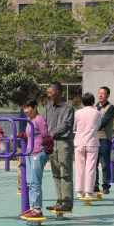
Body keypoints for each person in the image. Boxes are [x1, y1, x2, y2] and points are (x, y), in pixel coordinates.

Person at [44, 82, 75, 212]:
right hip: (52, 143)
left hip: (63, 142)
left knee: (65, 173)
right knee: (56, 174)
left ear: (58, 92)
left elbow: (66, 125)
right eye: (48, 93)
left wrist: (53, 133)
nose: (49, 95)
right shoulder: (49, 108)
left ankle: (67, 203)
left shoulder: (68, 107)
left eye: (50, 93)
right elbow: (44, 124)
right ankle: (59, 201)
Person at [19, 98, 49, 218]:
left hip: (38, 153)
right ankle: (32, 207)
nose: (26, 110)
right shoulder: (29, 120)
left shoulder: (39, 120)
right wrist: (18, 135)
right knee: (30, 182)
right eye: (24, 108)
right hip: (30, 154)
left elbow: (46, 136)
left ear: (35, 107)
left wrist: (47, 152)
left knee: (35, 182)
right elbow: (29, 135)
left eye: (28, 107)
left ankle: (37, 209)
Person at [73, 92, 101, 201]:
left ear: (82, 102)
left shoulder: (78, 113)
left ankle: (80, 191)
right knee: (91, 168)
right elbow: (98, 126)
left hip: (79, 142)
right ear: (93, 102)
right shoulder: (97, 113)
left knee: (79, 167)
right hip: (92, 143)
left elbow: (73, 127)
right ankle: (89, 192)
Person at [17, 90, 41, 194]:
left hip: (26, 139)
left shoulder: (26, 108)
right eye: (38, 99)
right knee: (24, 163)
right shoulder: (28, 109)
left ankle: (23, 185)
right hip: (26, 140)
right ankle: (22, 186)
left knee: (25, 163)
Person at [94, 86, 114, 194]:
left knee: (105, 163)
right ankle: (95, 185)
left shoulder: (110, 108)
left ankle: (106, 186)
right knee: (93, 163)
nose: (100, 95)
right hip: (93, 139)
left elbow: (104, 122)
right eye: (99, 93)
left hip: (104, 139)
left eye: (103, 93)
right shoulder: (93, 106)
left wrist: (92, 129)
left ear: (108, 95)